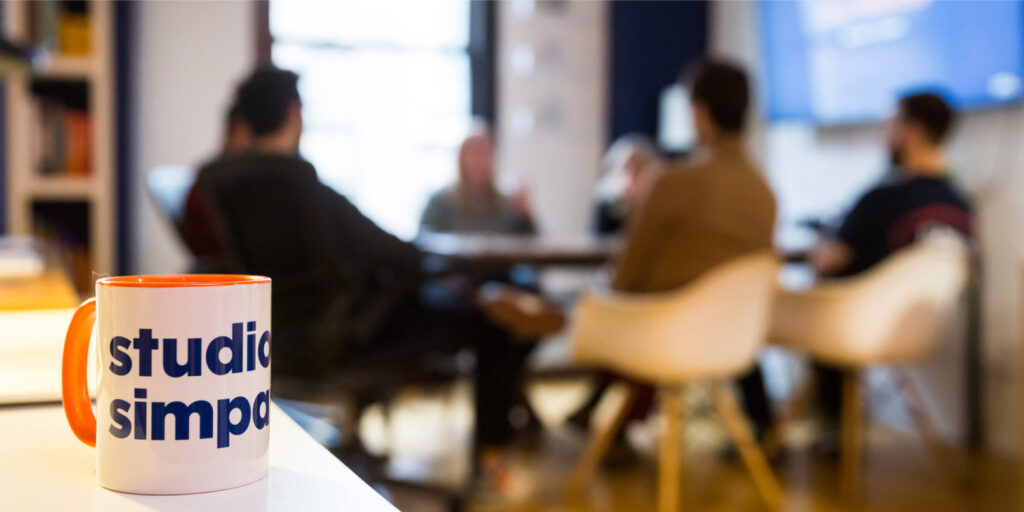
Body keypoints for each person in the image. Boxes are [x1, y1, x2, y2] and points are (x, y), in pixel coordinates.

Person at [183, 67, 533, 482]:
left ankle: (495, 302)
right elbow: (391, 251)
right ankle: (490, 461)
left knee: (468, 301)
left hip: (272, 337)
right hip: (348, 333)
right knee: (490, 324)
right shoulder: (302, 182)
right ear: (295, 113)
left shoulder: (219, 181)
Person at [484, 59, 778, 445]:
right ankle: (607, 415)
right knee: (633, 306)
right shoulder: (766, 195)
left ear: (700, 114)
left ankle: (558, 345)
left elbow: (627, 277)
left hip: (658, 340)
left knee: (588, 307)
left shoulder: (673, 183)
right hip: (734, 342)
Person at [808, 92, 973, 439]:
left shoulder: (881, 198)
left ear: (909, 132)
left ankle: (828, 429)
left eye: (889, 125)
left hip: (852, 327)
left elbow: (828, 261)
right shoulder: (960, 204)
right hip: (924, 329)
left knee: (816, 292)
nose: (884, 134)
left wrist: (816, 250)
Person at [419, 124, 534, 235]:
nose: (479, 160)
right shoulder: (441, 202)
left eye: (484, 152)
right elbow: (423, 240)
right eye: (473, 153)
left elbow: (530, 243)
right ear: (461, 158)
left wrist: (524, 216)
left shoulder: (506, 205)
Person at [592, 134, 661, 235]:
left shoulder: (658, 202)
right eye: (627, 168)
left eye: (638, 168)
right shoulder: (607, 202)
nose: (632, 176)